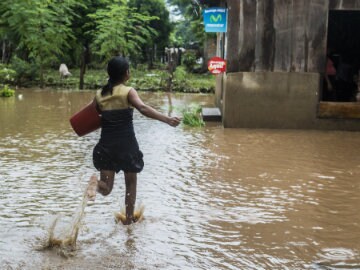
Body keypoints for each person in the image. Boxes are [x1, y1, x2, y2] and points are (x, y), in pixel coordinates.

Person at [86, 56, 181, 225]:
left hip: (106, 145)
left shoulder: (100, 94)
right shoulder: (128, 91)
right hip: (126, 145)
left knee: (106, 188)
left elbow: (88, 115)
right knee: (130, 185)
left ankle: (94, 185)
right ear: (126, 74)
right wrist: (167, 119)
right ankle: (129, 223)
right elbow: (143, 108)